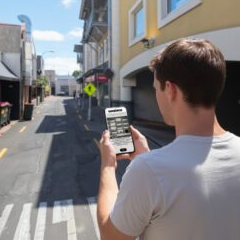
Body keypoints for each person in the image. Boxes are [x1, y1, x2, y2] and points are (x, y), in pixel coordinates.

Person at [97, 38, 240, 240]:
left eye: (156, 88)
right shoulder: (150, 168)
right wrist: (144, 158)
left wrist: (108, 166)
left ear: (171, 90)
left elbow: (110, 236)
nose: (156, 95)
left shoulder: (148, 172)